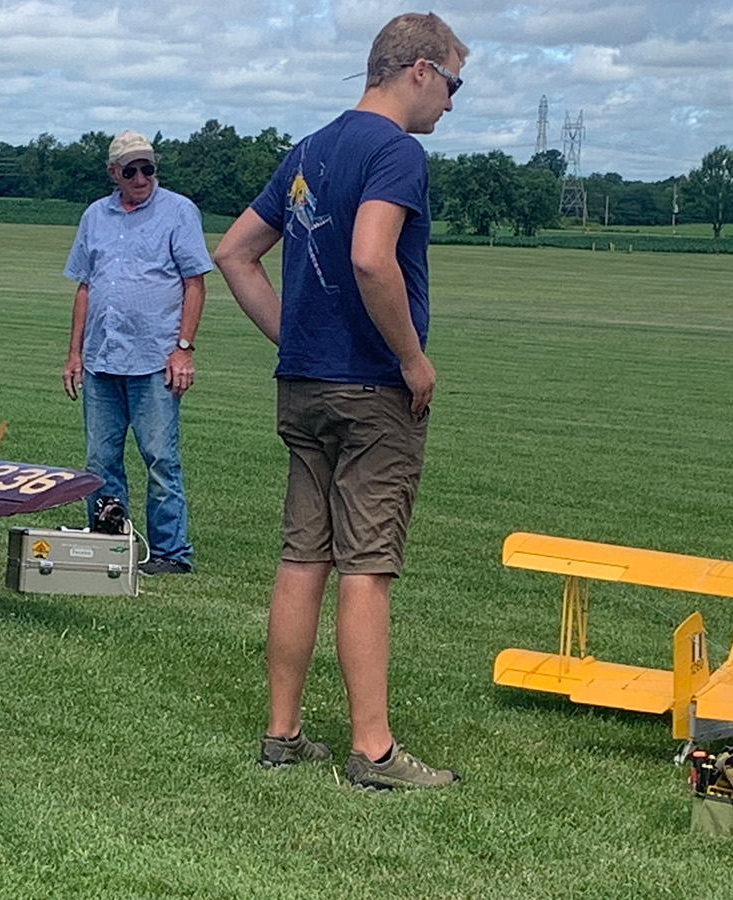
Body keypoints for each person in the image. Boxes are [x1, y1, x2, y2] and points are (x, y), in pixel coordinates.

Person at [212, 11, 466, 790]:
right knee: (367, 564)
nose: (451, 103)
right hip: (371, 391)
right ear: (418, 70)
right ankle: (374, 750)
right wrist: (411, 358)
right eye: (453, 85)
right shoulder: (397, 152)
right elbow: (370, 257)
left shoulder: (308, 150)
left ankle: (282, 733)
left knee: (303, 555)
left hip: (304, 388)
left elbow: (234, 252)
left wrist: (293, 336)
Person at [62, 130, 213, 576]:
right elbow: (85, 287)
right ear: (114, 173)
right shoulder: (95, 215)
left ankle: (170, 553)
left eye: (148, 168)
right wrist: (74, 354)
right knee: (99, 461)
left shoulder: (179, 211)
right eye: (131, 170)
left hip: (154, 360)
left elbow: (194, 284)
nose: (142, 177)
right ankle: (109, 544)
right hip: (101, 358)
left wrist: (183, 350)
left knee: (160, 459)